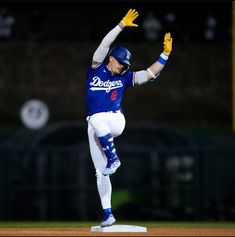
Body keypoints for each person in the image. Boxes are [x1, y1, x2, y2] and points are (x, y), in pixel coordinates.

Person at [85, 9, 172, 227]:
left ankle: (115, 159)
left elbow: (150, 74)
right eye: (121, 63)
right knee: (100, 173)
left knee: (95, 119)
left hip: (114, 121)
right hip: (96, 126)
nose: (123, 66)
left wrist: (165, 55)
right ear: (111, 59)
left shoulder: (125, 77)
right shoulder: (96, 67)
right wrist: (121, 25)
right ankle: (108, 214)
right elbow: (105, 44)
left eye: (125, 65)